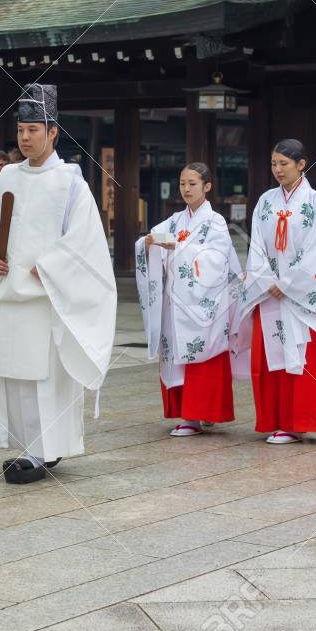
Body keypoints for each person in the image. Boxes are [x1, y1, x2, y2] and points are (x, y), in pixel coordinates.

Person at [0, 83, 115, 483]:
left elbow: (85, 241)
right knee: (11, 376)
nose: (25, 137)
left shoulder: (70, 182)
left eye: (33, 130)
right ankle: (26, 447)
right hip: (9, 294)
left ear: (53, 132)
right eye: (20, 130)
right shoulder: (8, 176)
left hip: (45, 296)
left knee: (42, 379)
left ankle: (44, 450)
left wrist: (49, 267)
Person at [235, 139, 316, 443]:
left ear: (301, 164)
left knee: (305, 357)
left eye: (284, 164)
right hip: (269, 293)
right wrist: (266, 280)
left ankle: (298, 422)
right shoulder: (266, 202)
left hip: (302, 296)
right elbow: (256, 246)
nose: (278, 170)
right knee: (271, 356)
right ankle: (276, 420)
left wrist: (289, 284)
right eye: (274, 164)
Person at [135, 163, 244, 437]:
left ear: (207, 186)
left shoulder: (215, 222)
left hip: (204, 304)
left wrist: (179, 247)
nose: (186, 189)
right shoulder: (174, 220)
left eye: (192, 183)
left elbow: (218, 260)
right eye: (182, 183)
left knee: (202, 352)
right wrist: (147, 244)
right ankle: (189, 416)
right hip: (175, 302)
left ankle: (201, 413)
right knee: (177, 353)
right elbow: (153, 237)